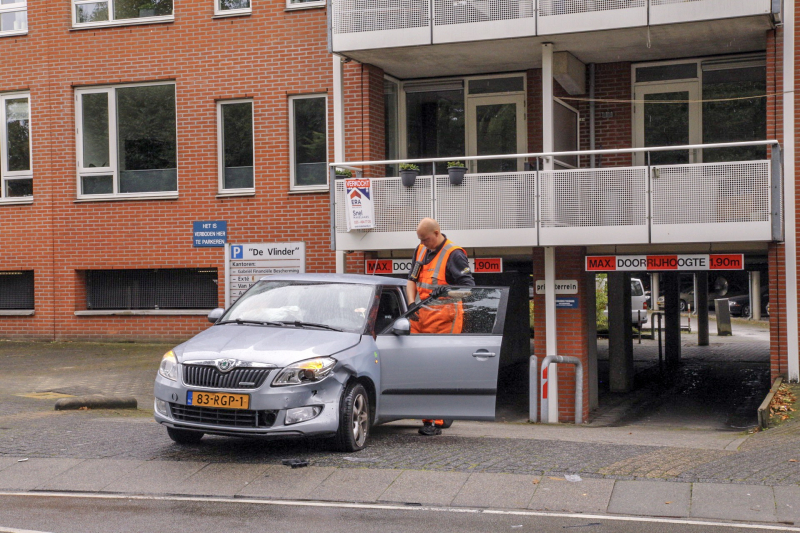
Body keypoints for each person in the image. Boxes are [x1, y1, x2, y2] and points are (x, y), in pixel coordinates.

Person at [406, 217, 475, 436]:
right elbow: (411, 280)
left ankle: (434, 420)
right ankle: (433, 415)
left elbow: (469, 289)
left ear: (437, 233)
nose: (423, 244)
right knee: (419, 368)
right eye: (420, 240)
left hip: (445, 317)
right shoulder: (420, 250)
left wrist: (446, 292)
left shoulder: (454, 254)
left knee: (438, 369)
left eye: (426, 239)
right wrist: (411, 305)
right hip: (421, 315)